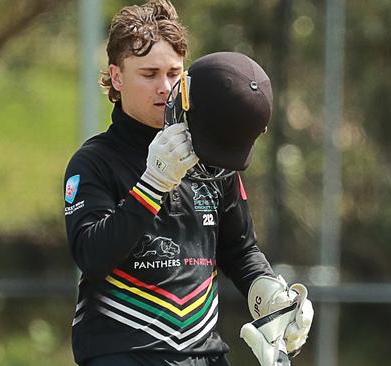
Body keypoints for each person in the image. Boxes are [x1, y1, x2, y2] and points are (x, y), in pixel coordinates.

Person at [63, 1, 312, 365]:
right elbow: (91, 255)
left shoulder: (213, 155)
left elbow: (241, 251)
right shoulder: (94, 162)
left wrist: (270, 296)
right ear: (116, 77)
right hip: (122, 354)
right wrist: (153, 184)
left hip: (204, 354)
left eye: (173, 73)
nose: (164, 88)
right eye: (148, 74)